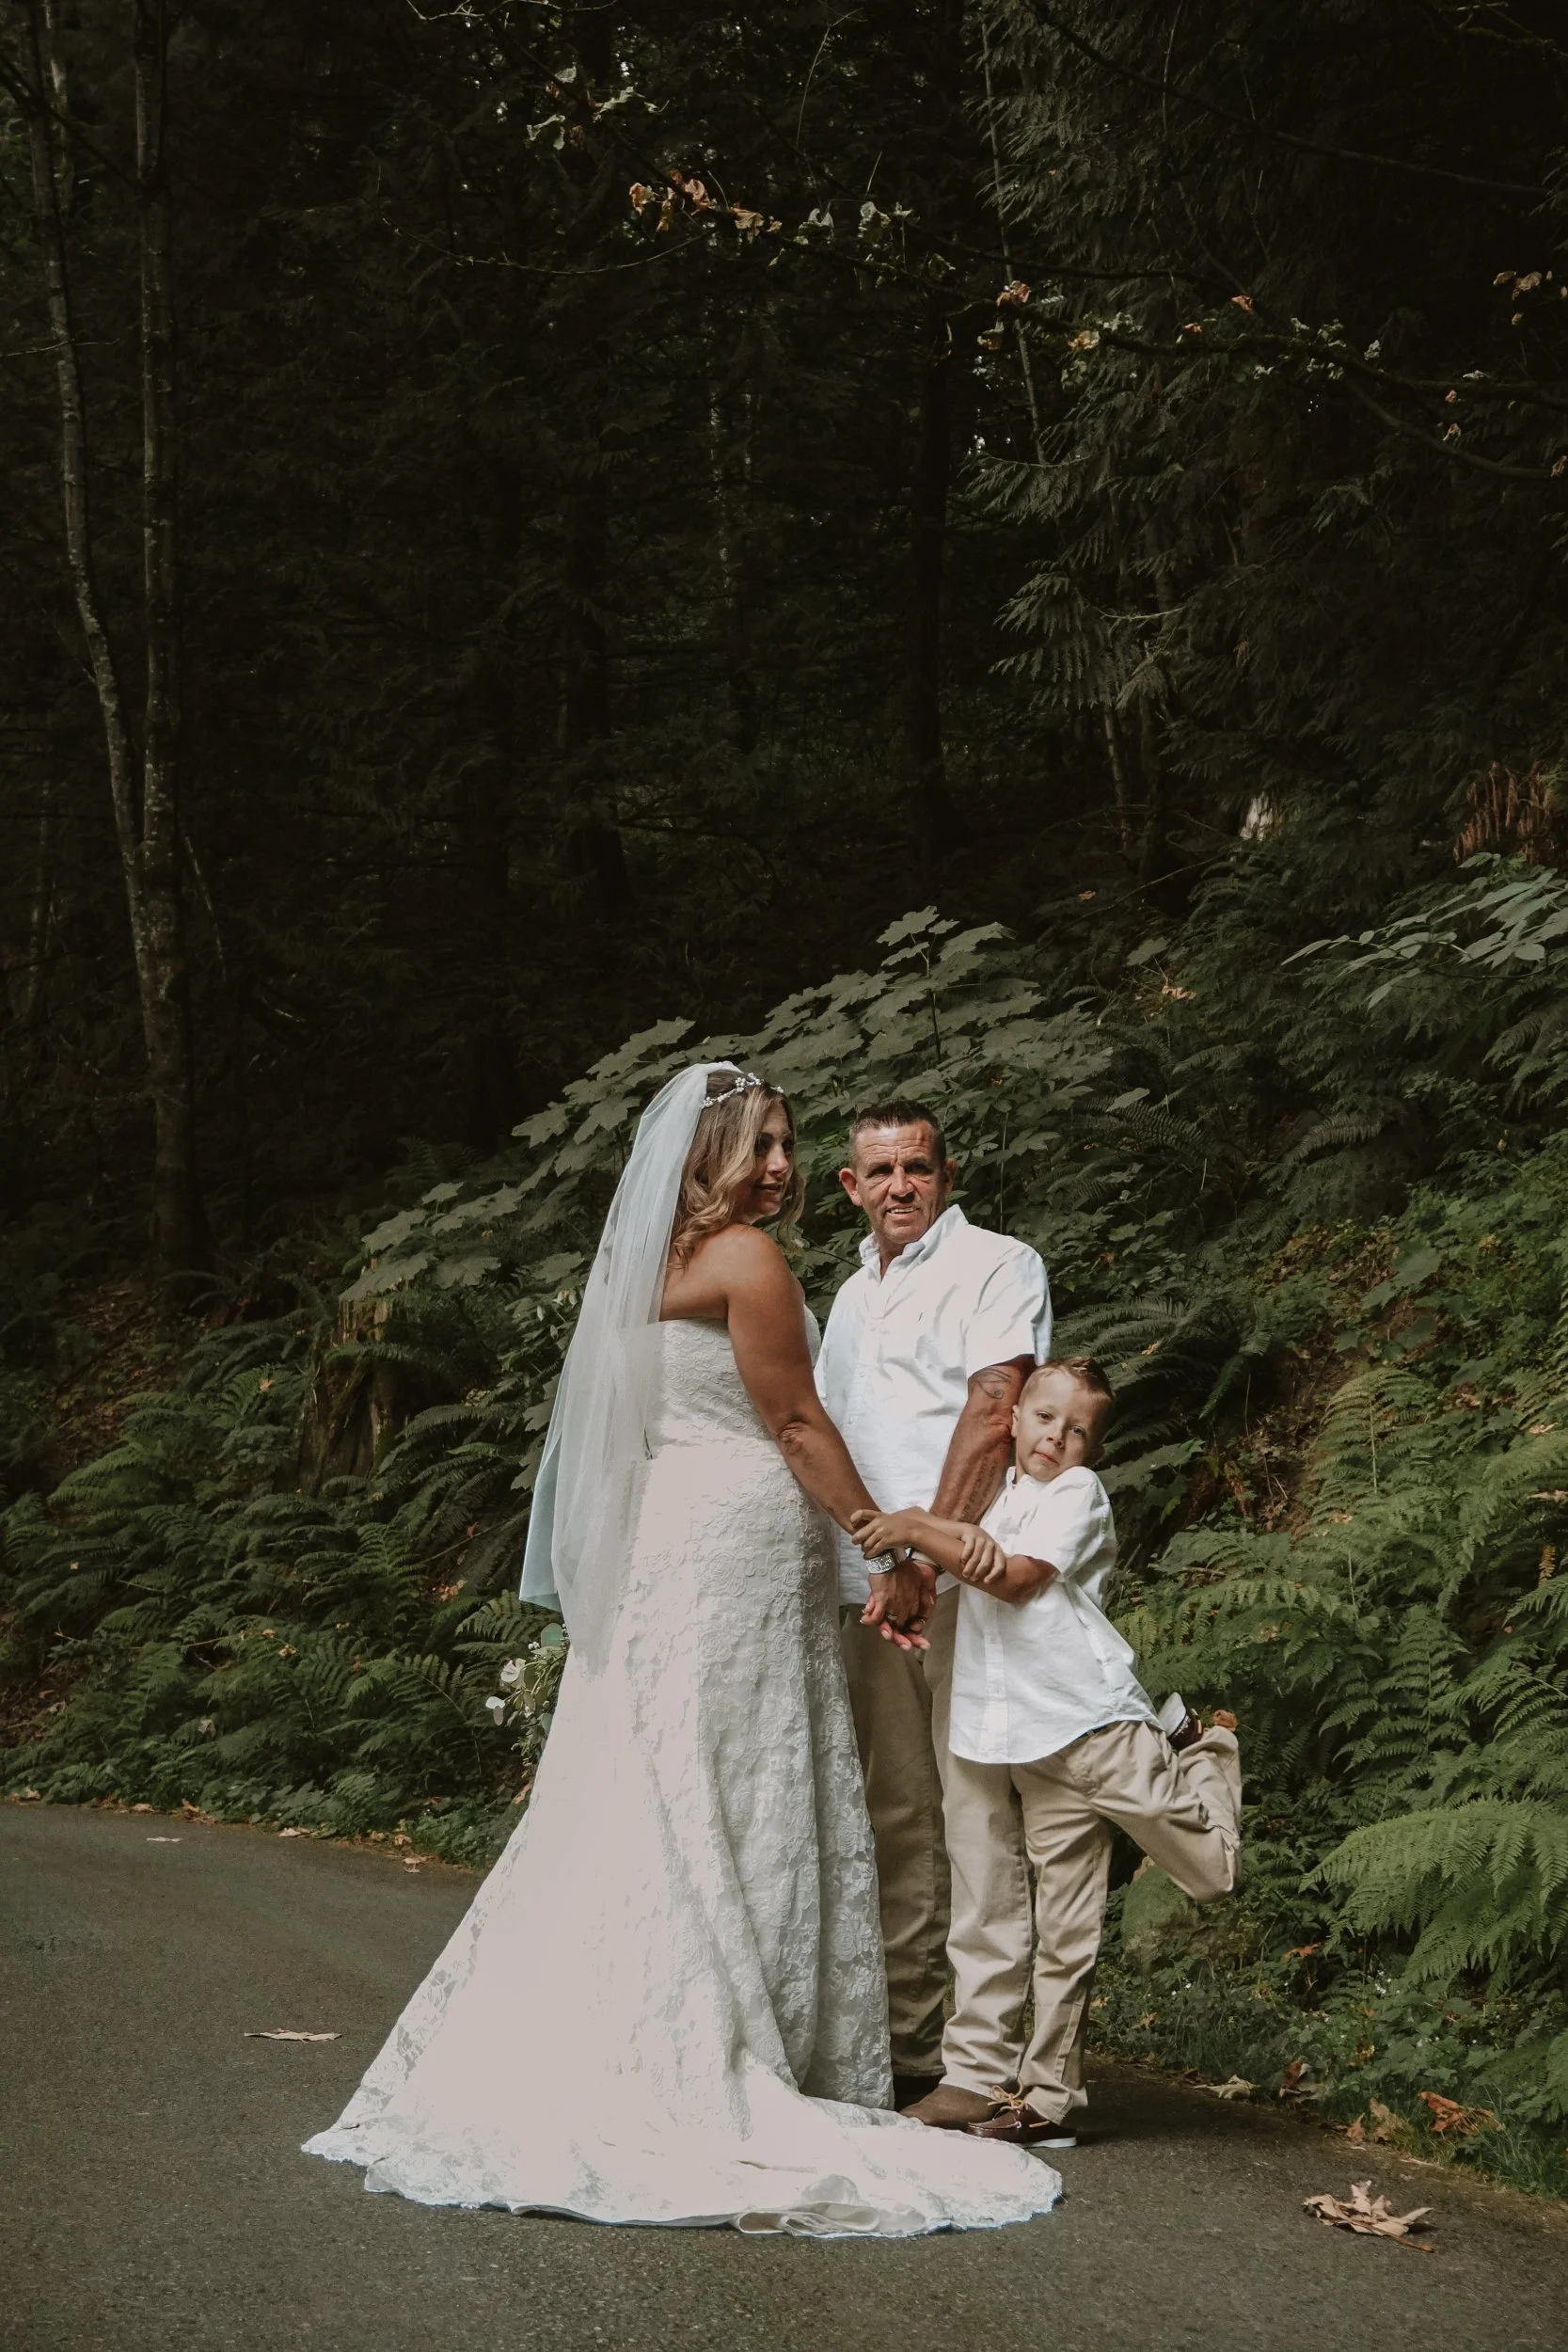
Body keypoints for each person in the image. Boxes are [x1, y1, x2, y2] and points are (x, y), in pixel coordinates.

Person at [305, 1064, 1060, 2235]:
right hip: (745, 1540)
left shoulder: (642, 1263)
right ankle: (712, 2044)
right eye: (760, 1144)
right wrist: (876, 1541)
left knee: (651, 1779)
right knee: (735, 1783)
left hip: (669, 1541)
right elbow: (797, 1422)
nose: (780, 1167)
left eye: (787, 1144)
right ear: (705, 1149)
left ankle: (614, 2029)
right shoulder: (749, 1261)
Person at [851, 1357, 1243, 2149]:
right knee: (1065, 1929)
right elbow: (970, 1569)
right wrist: (931, 1550)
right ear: (1014, 1420)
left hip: (1097, 1731)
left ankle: (1205, 1749)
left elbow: (1016, 1579)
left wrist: (914, 1526)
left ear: (1090, 1447)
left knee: (1213, 1875)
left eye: (1076, 1431)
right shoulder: (997, 1497)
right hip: (1033, 1749)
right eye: (1043, 1419)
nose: (1055, 1439)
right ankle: (1047, 2098)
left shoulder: (1075, 1496)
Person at [815, 1101, 1052, 2106]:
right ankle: (908, 2042)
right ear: (850, 1186)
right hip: (861, 1587)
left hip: (953, 1582)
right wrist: (867, 1566)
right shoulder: (846, 1295)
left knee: (972, 1814)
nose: (898, 1186)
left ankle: (981, 2054)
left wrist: (926, 1556)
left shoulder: (996, 1264)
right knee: (893, 1812)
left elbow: (994, 1410)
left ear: (944, 1176)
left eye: (916, 1167)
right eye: (880, 1171)